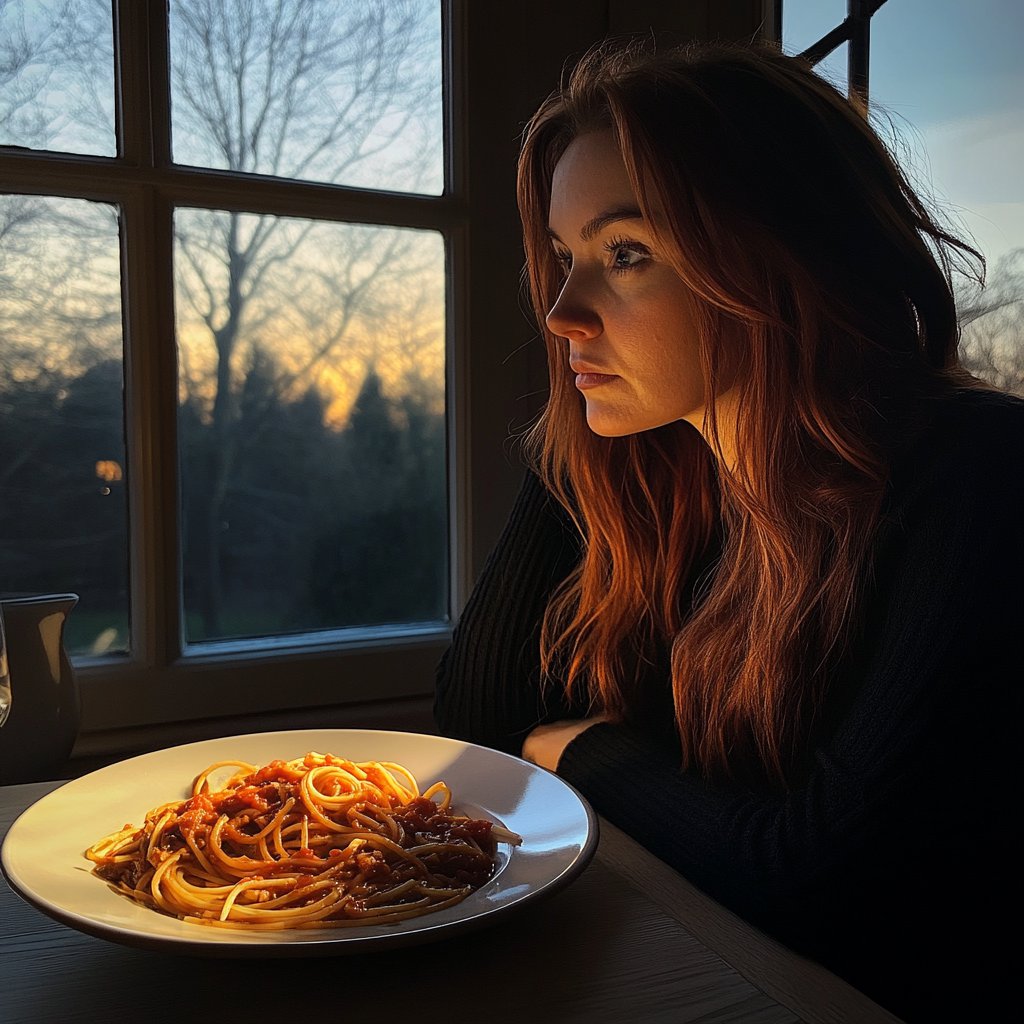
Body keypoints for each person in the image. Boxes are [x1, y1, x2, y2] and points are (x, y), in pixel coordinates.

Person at [434, 39, 1022, 1023]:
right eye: (566, 255)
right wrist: (577, 446)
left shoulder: (977, 475)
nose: (562, 311)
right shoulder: (663, 473)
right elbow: (479, 729)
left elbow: (815, 879)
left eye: (625, 255)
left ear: (783, 257)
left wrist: (586, 750)